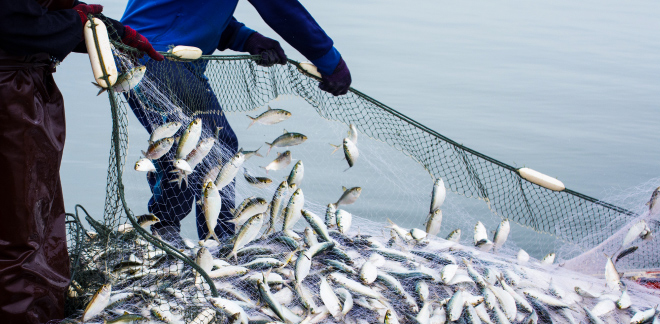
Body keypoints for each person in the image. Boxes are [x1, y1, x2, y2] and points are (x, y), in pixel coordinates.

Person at [120, 0, 352, 245]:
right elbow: (281, 7)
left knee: (200, 144)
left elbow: (194, 9)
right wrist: (330, 60)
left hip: (151, 52)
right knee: (209, 146)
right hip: (158, 56)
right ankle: (209, 238)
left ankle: (178, 230)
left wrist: (245, 38)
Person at [0, 1, 162, 322]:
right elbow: (12, 26)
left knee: (36, 217)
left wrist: (113, 31)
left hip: (24, 88)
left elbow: (40, 17)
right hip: (10, 97)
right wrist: (77, 22)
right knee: (19, 231)